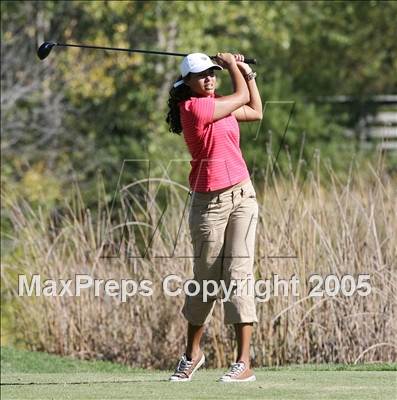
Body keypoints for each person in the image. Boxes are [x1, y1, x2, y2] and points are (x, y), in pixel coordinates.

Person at [165, 52, 262, 382]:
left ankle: (243, 362)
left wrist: (247, 75)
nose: (209, 78)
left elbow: (255, 110)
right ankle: (193, 353)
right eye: (202, 74)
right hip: (209, 204)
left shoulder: (220, 103)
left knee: (239, 272)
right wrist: (235, 66)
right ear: (187, 83)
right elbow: (242, 98)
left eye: (212, 72)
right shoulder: (194, 108)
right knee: (206, 279)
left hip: (243, 196)